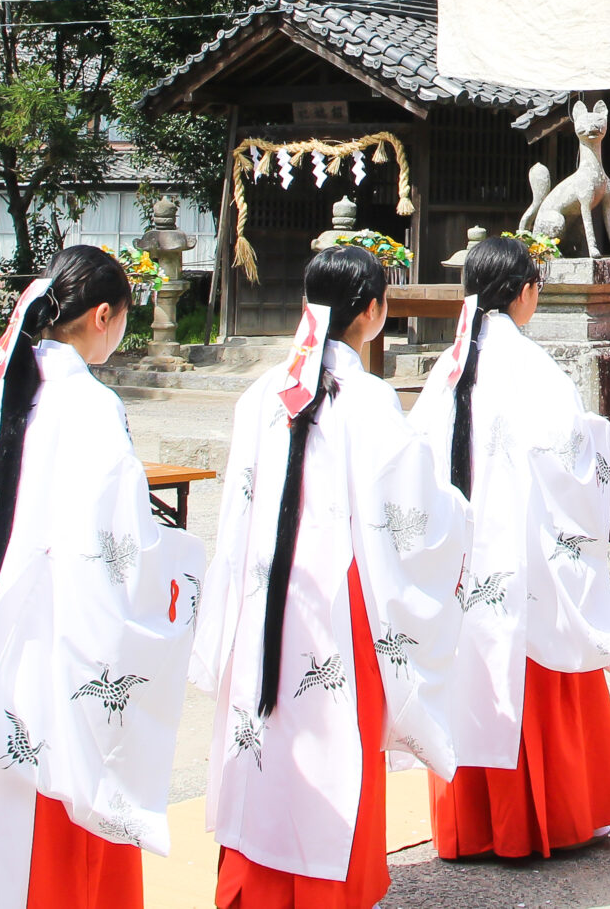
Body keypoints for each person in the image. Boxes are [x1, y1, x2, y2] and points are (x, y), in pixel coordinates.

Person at [0, 245, 205, 909]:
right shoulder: (91, 405)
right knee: (53, 829)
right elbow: (119, 551)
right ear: (104, 315)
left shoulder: (6, 392)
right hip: (52, 659)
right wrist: (180, 567)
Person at [193, 246, 470, 908]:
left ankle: (253, 888)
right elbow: (413, 511)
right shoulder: (368, 399)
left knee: (262, 736)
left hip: (264, 595)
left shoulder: (262, 392)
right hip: (340, 609)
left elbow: (236, 513)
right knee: (334, 744)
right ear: (372, 311)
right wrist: (459, 514)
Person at [408, 235, 610, 861]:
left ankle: (472, 825)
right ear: (524, 293)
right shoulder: (535, 368)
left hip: (465, 559)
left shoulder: (447, 368)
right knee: (537, 666)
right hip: (525, 557)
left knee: (469, 674)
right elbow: (572, 461)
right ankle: (545, 818)